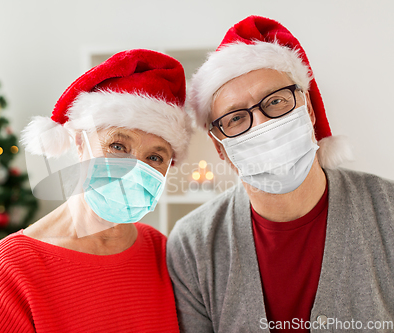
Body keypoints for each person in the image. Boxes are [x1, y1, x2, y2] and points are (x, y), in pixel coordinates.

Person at [167, 15, 394, 333]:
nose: (263, 125)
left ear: (309, 111)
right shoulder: (194, 245)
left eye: (276, 102)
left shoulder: (388, 211)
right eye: (235, 118)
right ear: (222, 150)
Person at [0, 49, 193, 332]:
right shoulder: (11, 266)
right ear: (80, 143)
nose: (134, 170)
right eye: (118, 146)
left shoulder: (163, 252)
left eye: (154, 158)